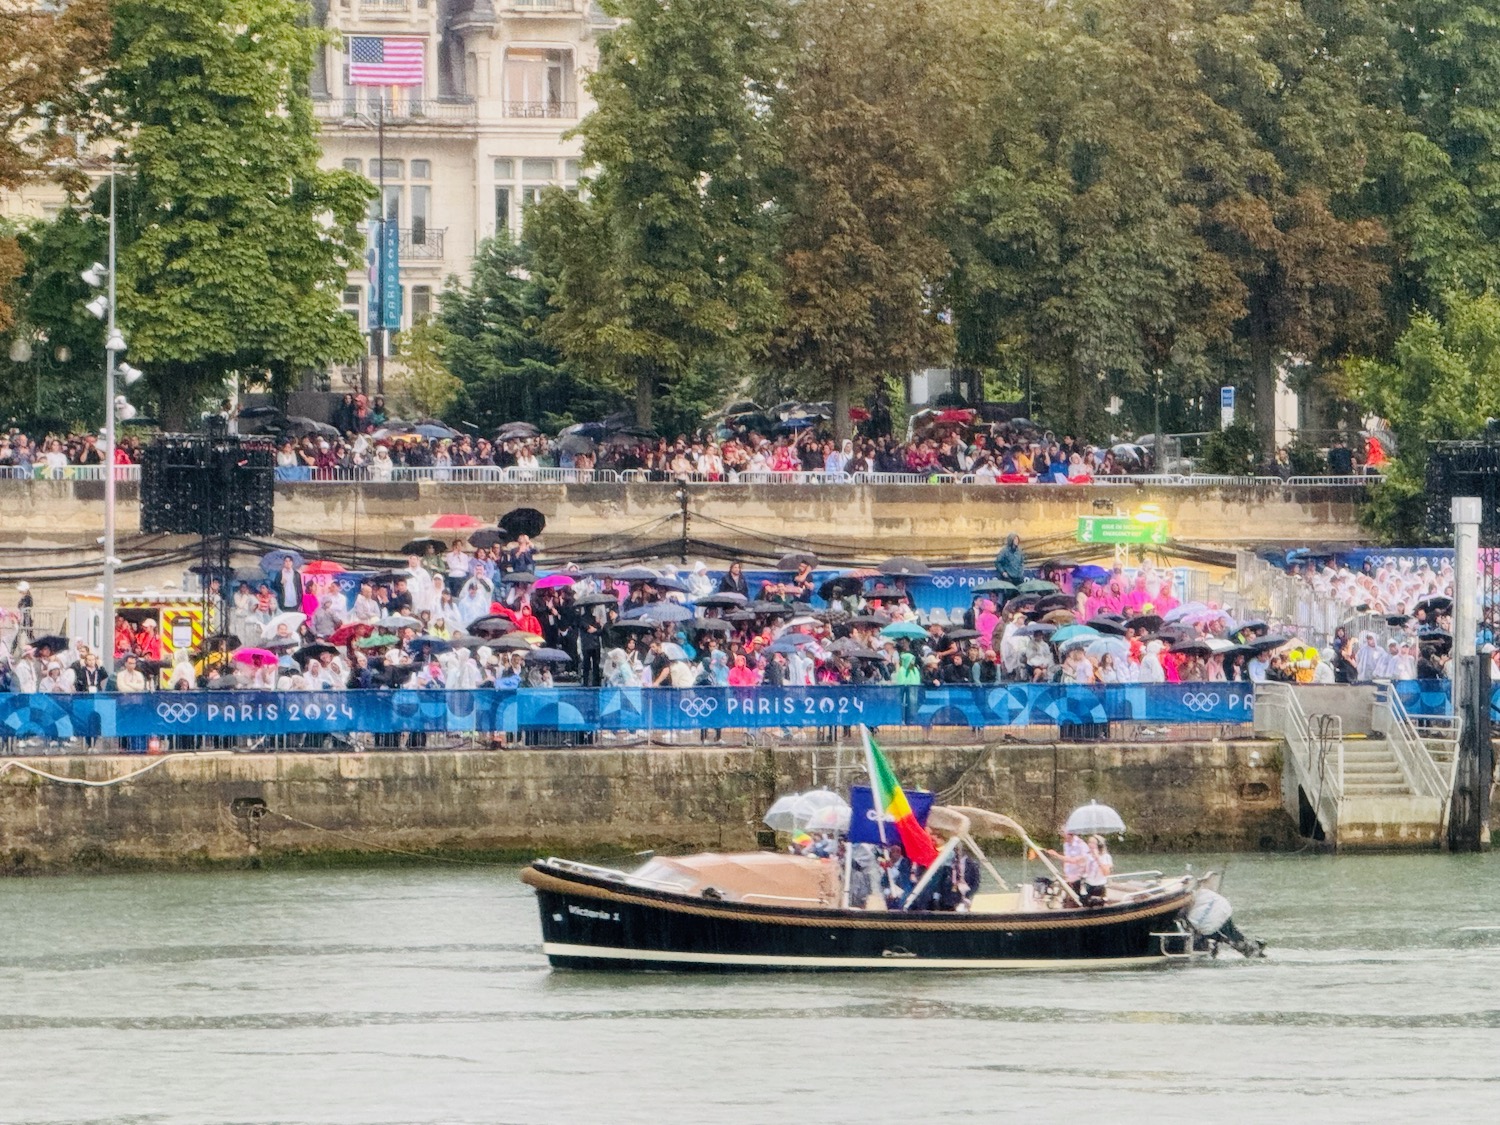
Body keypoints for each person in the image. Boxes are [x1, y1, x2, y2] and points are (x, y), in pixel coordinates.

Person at [1045, 829, 1090, 902]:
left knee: (1077, 898)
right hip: (1070, 877)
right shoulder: (1066, 844)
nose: (1061, 836)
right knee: (1067, 898)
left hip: (1081, 878)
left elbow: (1076, 860)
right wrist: (1066, 875)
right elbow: (1066, 860)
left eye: (1063, 833)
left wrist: (1057, 855)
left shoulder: (1081, 845)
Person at [1081, 835, 1113, 906]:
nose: (1090, 845)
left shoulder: (1106, 857)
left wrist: (1097, 858)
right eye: (1089, 842)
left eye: (1093, 843)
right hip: (1087, 884)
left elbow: (1106, 873)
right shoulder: (1087, 856)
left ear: (1099, 845)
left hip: (1099, 885)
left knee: (1099, 904)